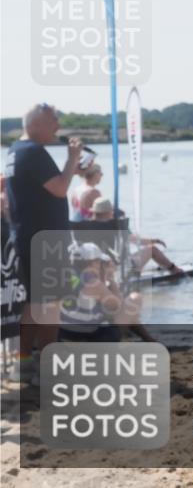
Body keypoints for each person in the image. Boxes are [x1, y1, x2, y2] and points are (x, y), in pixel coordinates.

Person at [4, 104, 81, 382]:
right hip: (45, 240)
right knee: (50, 305)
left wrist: (71, 169)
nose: (58, 126)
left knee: (34, 303)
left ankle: (23, 363)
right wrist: (72, 158)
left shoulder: (16, 150)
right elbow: (59, 188)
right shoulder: (34, 152)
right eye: (53, 121)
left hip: (28, 236)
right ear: (36, 124)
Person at [58, 242, 149, 343]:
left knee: (119, 314)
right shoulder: (92, 282)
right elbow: (117, 306)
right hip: (86, 337)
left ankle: (148, 339)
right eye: (100, 262)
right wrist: (111, 279)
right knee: (135, 299)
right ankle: (143, 340)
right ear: (94, 263)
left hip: (65, 333)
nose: (101, 265)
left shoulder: (68, 275)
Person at [90, 197, 183, 277]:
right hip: (119, 271)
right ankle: (174, 270)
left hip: (96, 268)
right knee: (152, 250)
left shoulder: (87, 226)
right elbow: (135, 240)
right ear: (109, 212)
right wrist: (154, 240)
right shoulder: (116, 225)